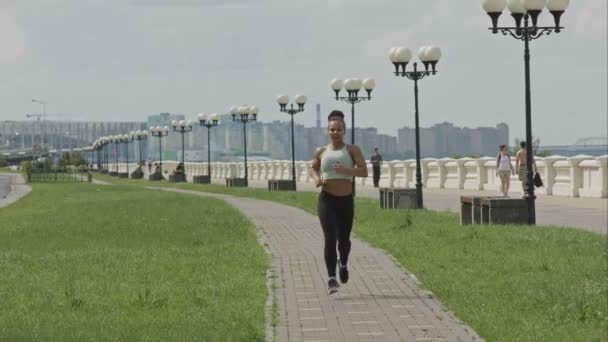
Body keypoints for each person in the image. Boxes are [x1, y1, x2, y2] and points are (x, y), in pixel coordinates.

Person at [310, 110, 368, 295]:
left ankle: (343, 263)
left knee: (344, 239)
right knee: (330, 238)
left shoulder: (352, 150)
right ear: (328, 130)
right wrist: (317, 180)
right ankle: (331, 279)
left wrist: (346, 169)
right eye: (332, 130)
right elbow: (312, 169)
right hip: (327, 200)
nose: (335, 133)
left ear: (344, 131)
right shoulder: (321, 151)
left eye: (339, 130)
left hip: (345, 201)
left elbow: (364, 171)